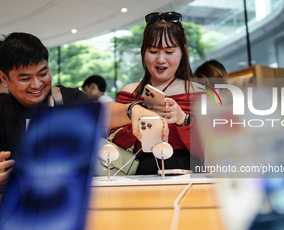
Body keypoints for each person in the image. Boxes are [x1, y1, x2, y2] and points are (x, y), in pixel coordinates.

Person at [0, 32, 168, 191]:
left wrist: (133, 109)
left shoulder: (66, 98)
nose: (37, 84)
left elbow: (104, 112)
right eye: (25, 78)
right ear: (4, 79)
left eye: (43, 73)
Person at [110, 11, 204, 174]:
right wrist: (139, 120)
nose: (160, 59)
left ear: (182, 52)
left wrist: (183, 120)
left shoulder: (201, 94)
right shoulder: (129, 92)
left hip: (190, 171)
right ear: (143, 51)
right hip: (142, 171)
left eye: (169, 52)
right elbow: (115, 147)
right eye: (153, 51)